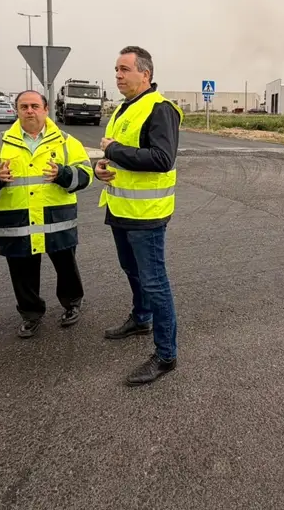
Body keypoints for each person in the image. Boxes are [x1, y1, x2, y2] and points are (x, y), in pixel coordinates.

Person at [0, 90, 92, 338]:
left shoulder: (66, 141)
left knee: (66, 267)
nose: (30, 111)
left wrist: (63, 174)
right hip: (17, 222)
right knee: (22, 272)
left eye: (35, 106)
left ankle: (72, 304)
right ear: (17, 110)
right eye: (24, 106)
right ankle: (30, 314)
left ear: (45, 109)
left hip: (57, 220)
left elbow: (86, 174)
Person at [97, 46, 183, 386]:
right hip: (120, 208)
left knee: (154, 282)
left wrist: (112, 149)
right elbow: (121, 156)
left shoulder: (160, 109)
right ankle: (141, 317)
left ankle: (166, 355)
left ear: (145, 74)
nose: (117, 75)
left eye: (124, 69)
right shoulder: (124, 108)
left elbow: (162, 158)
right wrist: (104, 166)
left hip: (146, 214)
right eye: (116, 69)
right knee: (131, 269)